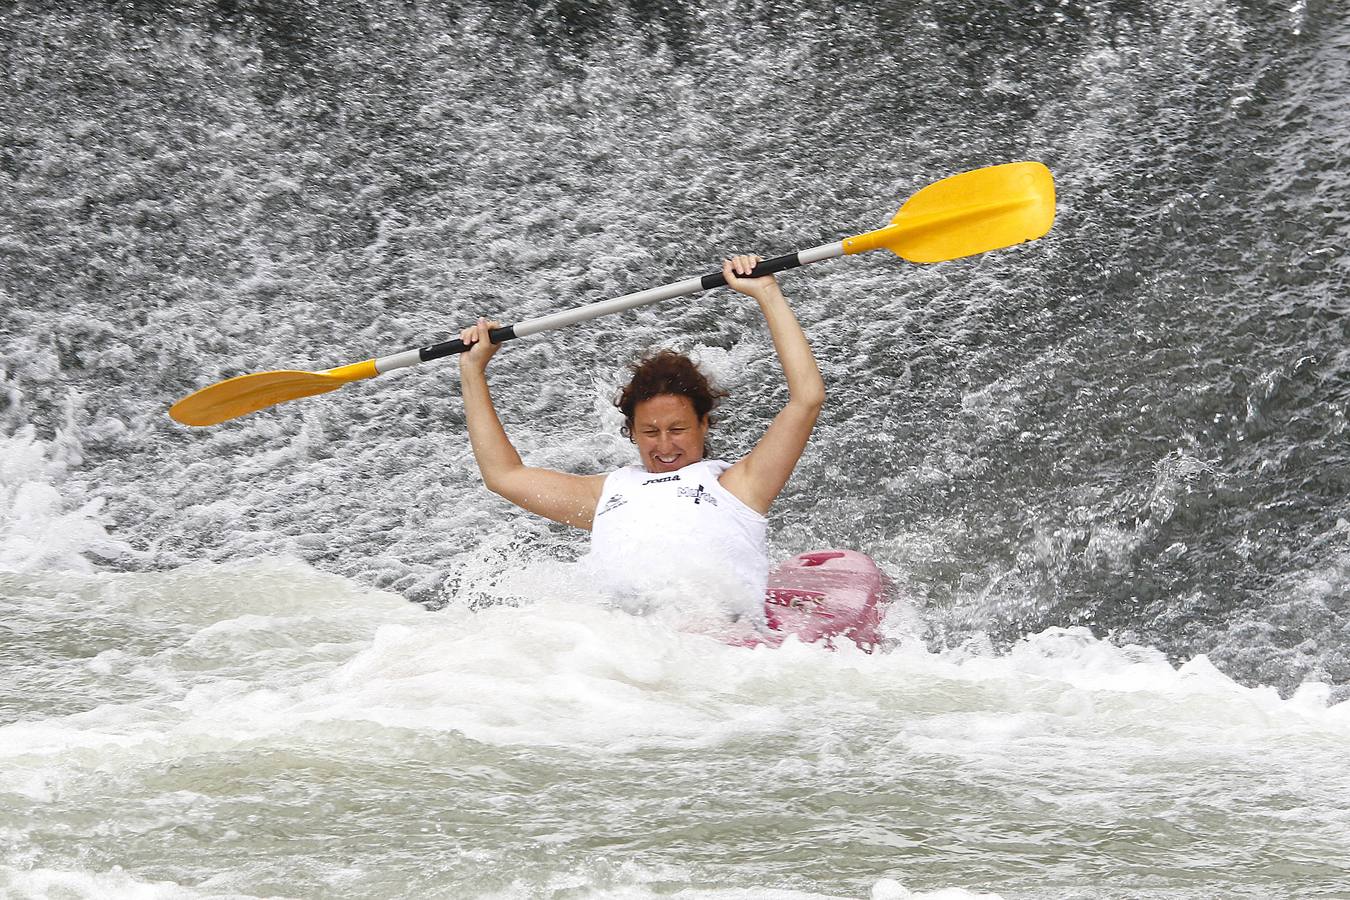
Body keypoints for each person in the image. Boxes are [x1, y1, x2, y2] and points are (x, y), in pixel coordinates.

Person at [457, 255, 825, 624]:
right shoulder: (605, 495)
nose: (665, 445)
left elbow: (806, 398)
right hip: (622, 651)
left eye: (677, 429)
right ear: (631, 432)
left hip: (716, 647)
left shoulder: (741, 486)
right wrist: (473, 370)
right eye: (650, 432)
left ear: (704, 424)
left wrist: (767, 292)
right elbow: (502, 474)